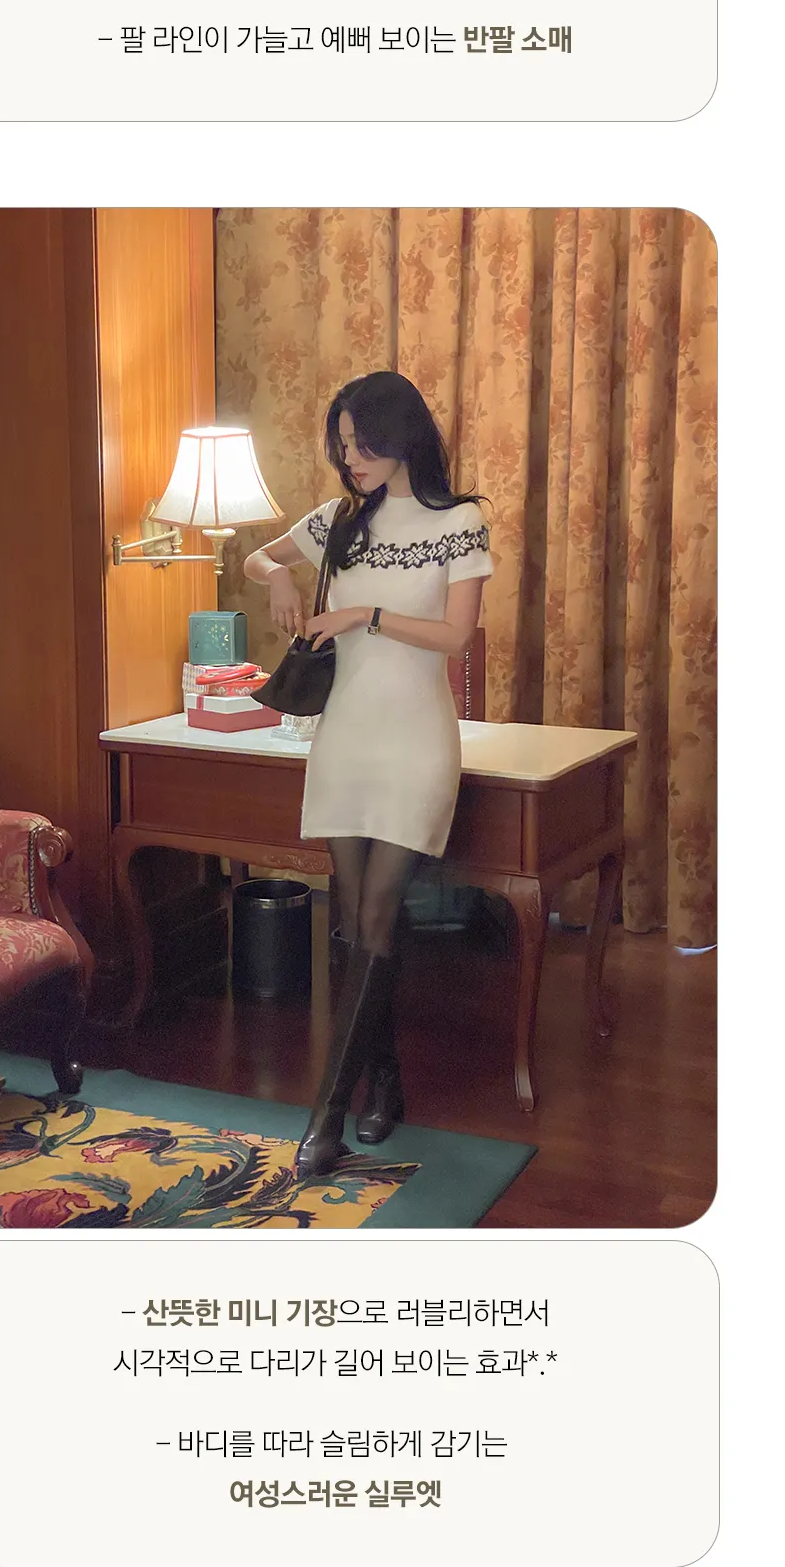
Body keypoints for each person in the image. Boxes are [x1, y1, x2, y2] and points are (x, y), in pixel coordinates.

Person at [245, 373, 491, 1178]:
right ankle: (384, 1078)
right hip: (345, 738)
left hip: (417, 741)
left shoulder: (459, 522)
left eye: (361, 441)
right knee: (354, 927)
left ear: (402, 434)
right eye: (342, 444)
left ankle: (326, 1118)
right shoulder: (338, 521)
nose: (349, 457)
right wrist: (280, 575)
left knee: (377, 919)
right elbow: (255, 556)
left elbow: (456, 636)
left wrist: (364, 615)